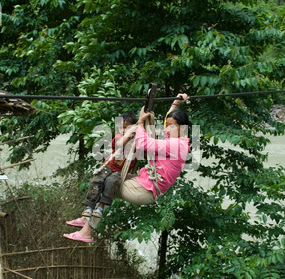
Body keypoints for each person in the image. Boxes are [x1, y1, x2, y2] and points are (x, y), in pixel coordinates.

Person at [64, 94, 191, 243]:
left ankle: (86, 230)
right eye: (167, 125)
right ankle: (87, 218)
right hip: (144, 182)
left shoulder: (177, 145)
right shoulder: (175, 138)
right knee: (105, 178)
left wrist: (140, 122)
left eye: (171, 126)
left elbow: (144, 144)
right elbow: (167, 122)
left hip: (145, 190)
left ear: (182, 128)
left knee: (109, 183)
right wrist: (176, 102)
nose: (167, 129)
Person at [63, 112, 138, 242]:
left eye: (127, 127)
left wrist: (137, 130)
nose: (123, 130)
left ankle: (100, 208)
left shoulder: (137, 141)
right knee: (98, 179)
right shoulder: (120, 137)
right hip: (110, 166)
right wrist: (128, 132)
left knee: (111, 181)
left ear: (133, 127)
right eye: (121, 127)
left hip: (120, 172)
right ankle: (88, 208)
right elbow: (120, 144)